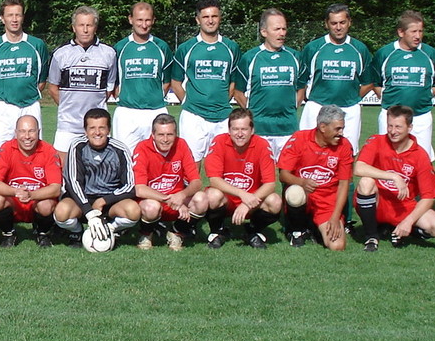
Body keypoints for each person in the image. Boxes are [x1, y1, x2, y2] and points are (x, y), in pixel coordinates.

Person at [352, 104, 435, 251]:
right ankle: (371, 236)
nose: (392, 131)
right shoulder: (376, 141)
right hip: (378, 201)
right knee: (365, 182)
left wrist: (408, 221)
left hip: (403, 206)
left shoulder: (420, 155)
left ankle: (401, 230)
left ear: (409, 128)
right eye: (390, 126)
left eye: (398, 127)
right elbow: (358, 168)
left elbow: (428, 197)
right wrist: (393, 176)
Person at [194, 107, 282, 249]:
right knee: (211, 196)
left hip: (252, 200)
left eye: (244, 129)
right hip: (227, 200)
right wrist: (242, 195)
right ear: (229, 130)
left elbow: (270, 184)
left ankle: (252, 230)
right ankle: (218, 231)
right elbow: (214, 180)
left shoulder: (262, 145)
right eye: (235, 129)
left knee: (275, 201)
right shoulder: (219, 142)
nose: (239, 134)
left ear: (252, 130)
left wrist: (247, 202)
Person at [53, 108, 140, 248]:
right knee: (61, 212)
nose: (97, 132)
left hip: (109, 202)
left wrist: (104, 200)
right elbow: (72, 182)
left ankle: (109, 229)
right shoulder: (77, 146)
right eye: (92, 128)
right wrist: (88, 211)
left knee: (133, 210)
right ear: (85, 130)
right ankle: (77, 231)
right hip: (81, 202)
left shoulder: (120, 149)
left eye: (102, 128)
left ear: (109, 130)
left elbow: (130, 185)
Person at [170, 0, 241, 162]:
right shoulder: (186, 48)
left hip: (223, 116)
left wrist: (222, 101)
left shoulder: (231, 48)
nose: (210, 21)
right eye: (206, 17)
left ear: (220, 18)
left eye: (214, 16)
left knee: (223, 166)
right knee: (192, 167)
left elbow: (233, 82)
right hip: (194, 116)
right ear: (197, 20)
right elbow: (176, 82)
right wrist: (188, 102)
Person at [371, 10, 435, 159]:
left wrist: (425, 95)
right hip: (390, 117)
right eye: (413, 31)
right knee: (387, 159)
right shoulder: (384, 53)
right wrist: (387, 97)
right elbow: (375, 82)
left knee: (422, 160)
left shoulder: (431, 54)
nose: (418, 36)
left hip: (421, 116)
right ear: (401, 32)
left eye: (420, 31)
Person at [278, 104, 354, 251]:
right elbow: (283, 174)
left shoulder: (344, 146)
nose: (341, 133)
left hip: (327, 200)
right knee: (295, 193)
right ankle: (297, 230)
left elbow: (344, 184)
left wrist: (335, 217)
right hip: (305, 195)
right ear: (323, 127)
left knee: (337, 246)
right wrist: (301, 182)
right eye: (337, 129)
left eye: (342, 128)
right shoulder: (300, 139)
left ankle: (315, 227)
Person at [298, 4, 373, 153]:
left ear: (349, 22)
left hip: (349, 110)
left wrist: (351, 99)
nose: (338, 27)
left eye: (342, 22)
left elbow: (368, 82)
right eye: (333, 23)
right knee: (308, 151)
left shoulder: (360, 49)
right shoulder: (313, 48)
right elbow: (301, 82)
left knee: (348, 154)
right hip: (317, 108)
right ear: (326, 24)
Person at [47, 7, 118, 161]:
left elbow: (109, 88)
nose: (85, 30)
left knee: (99, 171)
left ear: (95, 27)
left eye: (89, 25)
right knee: (64, 172)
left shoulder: (109, 53)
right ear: (74, 27)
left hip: (98, 126)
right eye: (81, 25)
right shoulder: (60, 53)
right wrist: (69, 105)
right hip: (68, 125)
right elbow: (53, 87)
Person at [0, 0, 49, 149]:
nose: (14, 19)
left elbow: (41, 81)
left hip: (29, 105)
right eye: (10, 15)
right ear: (2, 19)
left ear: (23, 17)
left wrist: (25, 96)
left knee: (33, 152)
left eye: (18, 15)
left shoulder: (37, 45)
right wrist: (3, 99)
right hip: (2, 109)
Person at [234, 8, 303, 159]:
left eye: (284, 28)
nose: (282, 33)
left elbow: (301, 89)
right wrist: (252, 113)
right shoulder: (250, 58)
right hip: (259, 129)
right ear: (264, 32)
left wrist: (291, 109)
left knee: (289, 177)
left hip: (288, 128)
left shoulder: (295, 57)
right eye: (277, 29)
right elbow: (238, 92)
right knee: (258, 176)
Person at [0, 114, 62, 248]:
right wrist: (15, 191)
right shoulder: (7, 149)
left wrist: (31, 195)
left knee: (46, 206)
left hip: (37, 201)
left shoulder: (49, 151)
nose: (27, 136)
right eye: (22, 131)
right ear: (16, 133)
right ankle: (9, 233)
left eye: (31, 131)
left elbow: (56, 188)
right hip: (14, 201)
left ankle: (42, 232)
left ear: (39, 132)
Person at [133, 113, 202, 251]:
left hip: (177, 200)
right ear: (153, 135)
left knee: (202, 199)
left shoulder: (181, 144)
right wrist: (170, 199)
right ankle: (146, 234)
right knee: (151, 207)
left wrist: (182, 196)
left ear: (176, 134)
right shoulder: (142, 148)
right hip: (155, 201)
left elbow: (197, 182)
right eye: (161, 135)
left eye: (170, 135)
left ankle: (177, 232)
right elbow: (139, 189)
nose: (165, 139)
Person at [112, 2, 172, 150]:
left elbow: (167, 81)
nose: (144, 25)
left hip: (155, 111)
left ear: (153, 20)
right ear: (130, 19)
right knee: (125, 159)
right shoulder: (120, 47)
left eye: (147, 20)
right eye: (139, 20)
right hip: (127, 112)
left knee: (157, 158)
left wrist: (152, 97)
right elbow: (114, 81)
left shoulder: (162, 47)